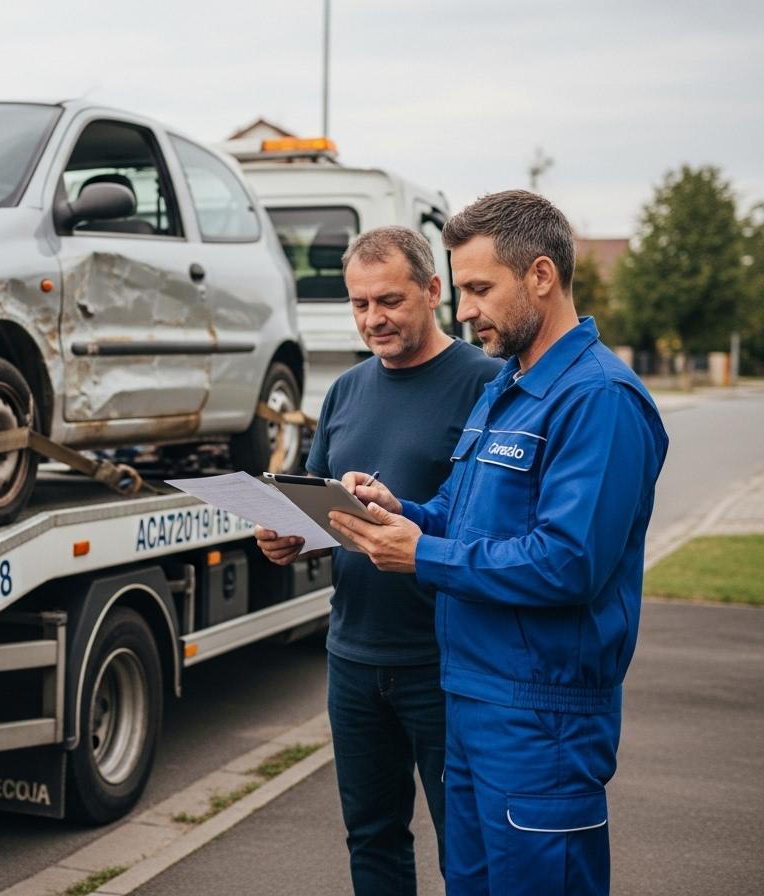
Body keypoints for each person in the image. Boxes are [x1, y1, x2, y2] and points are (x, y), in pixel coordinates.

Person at [328, 191, 669, 896]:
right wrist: (400, 510)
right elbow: (460, 513)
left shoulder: (599, 398)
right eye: (461, 290)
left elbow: (567, 563)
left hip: (542, 716)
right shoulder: (507, 389)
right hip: (471, 699)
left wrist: (419, 554)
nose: (464, 311)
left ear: (540, 276)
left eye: (480, 288)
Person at [255, 226, 501, 895]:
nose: (373, 319)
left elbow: (492, 522)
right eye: (359, 304)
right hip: (355, 659)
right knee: (371, 836)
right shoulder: (346, 391)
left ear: (432, 291)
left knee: (468, 847)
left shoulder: (487, 386)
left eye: (388, 300)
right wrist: (289, 536)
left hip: (446, 665)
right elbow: (322, 508)